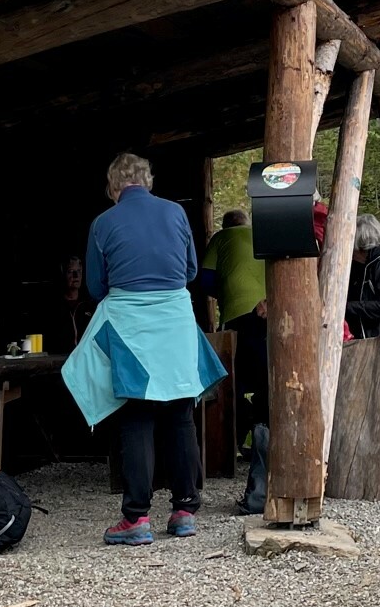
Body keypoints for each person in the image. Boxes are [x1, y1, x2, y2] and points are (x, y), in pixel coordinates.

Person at [64, 154, 226, 547]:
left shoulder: (103, 223)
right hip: (175, 320)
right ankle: (185, 509)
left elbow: (97, 288)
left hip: (130, 325)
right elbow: (189, 272)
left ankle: (136, 517)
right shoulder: (175, 213)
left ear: (112, 186)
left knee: (136, 417)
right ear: (148, 181)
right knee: (180, 415)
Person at [198, 207, 268, 428]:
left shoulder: (221, 237)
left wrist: (226, 292)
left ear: (225, 226)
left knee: (232, 377)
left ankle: (236, 433)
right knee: (264, 375)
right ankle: (263, 427)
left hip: (237, 315)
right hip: (268, 312)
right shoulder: (261, 234)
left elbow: (205, 280)